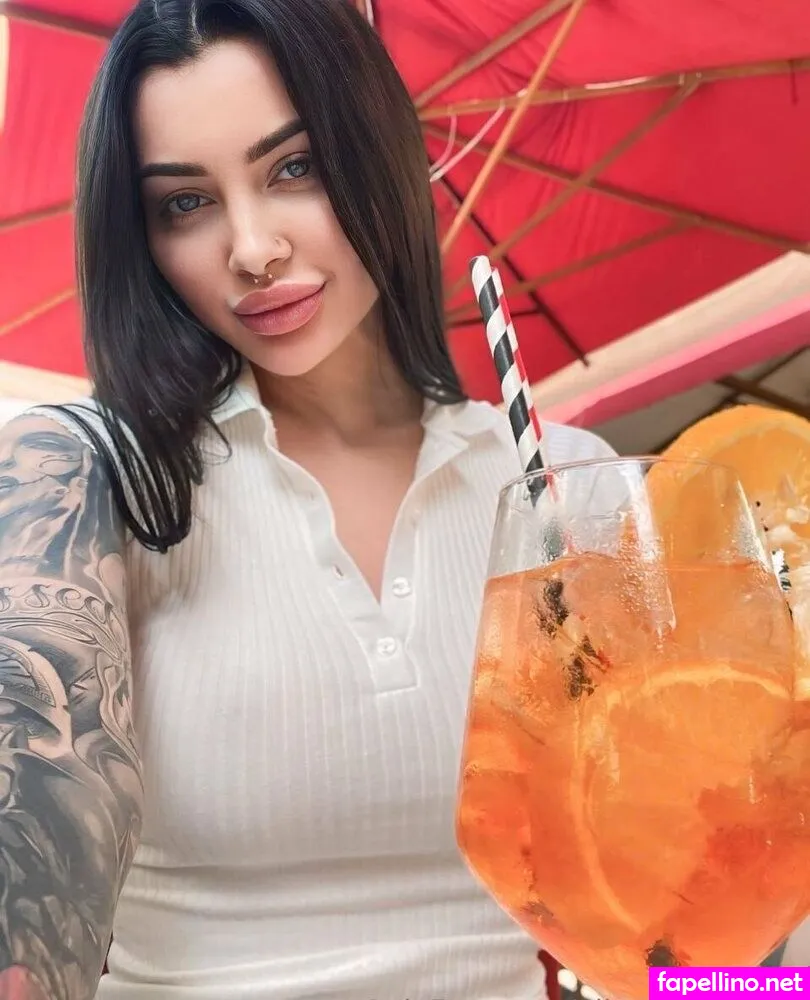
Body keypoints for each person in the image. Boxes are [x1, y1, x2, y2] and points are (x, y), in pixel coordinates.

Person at [0, 1, 617, 997]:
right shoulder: (86, 474)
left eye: (295, 167)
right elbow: (35, 806)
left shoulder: (571, 485)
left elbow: (707, 932)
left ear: (381, 155)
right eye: (184, 203)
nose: (252, 249)